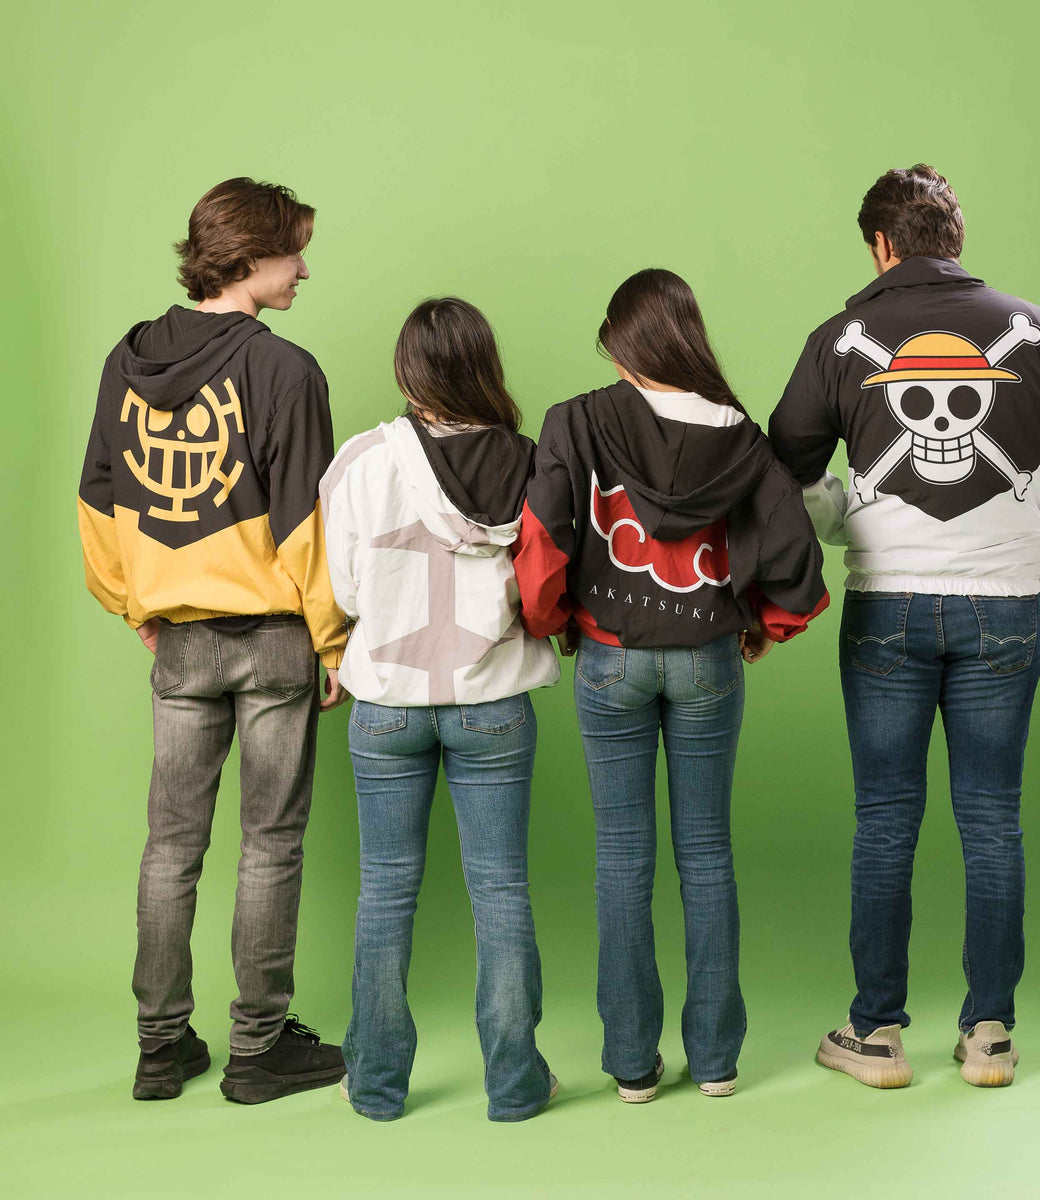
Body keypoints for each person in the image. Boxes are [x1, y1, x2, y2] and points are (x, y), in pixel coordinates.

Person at [768, 164, 1040, 1088]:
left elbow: (786, 472)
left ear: (881, 246)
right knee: (993, 819)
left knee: (885, 821)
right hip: (1005, 608)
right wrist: (1029, 532)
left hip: (885, 605)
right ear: (955, 240)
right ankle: (990, 1034)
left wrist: (847, 521)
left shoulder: (838, 339)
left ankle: (875, 1035)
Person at [515, 269, 828, 1102]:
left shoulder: (576, 419)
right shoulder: (741, 435)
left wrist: (553, 619)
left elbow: (541, 535)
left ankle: (630, 1064)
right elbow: (791, 545)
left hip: (610, 656)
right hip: (707, 658)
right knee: (708, 855)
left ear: (621, 343)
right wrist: (765, 622)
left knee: (622, 859)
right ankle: (717, 1060)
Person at [77, 177, 349, 1104]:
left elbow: (99, 496)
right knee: (269, 845)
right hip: (275, 638)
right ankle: (258, 1050)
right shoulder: (286, 371)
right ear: (249, 257)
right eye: (293, 253)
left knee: (170, 847)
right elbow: (306, 524)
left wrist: (136, 604)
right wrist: (334, 642)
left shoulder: (127, 359)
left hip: (181, 640)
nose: (303, 270)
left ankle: (161, 1048)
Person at [322, 297, 561, 1122]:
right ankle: (516, 1083)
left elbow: (344, 588)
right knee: (501, 891)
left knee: (385, 894)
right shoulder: (531, 463)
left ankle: (376, 1083)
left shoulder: (361, 460)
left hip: (387, 700)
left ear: (408, 368)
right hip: (491, 700)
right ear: (484, 365)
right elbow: (547, 578)